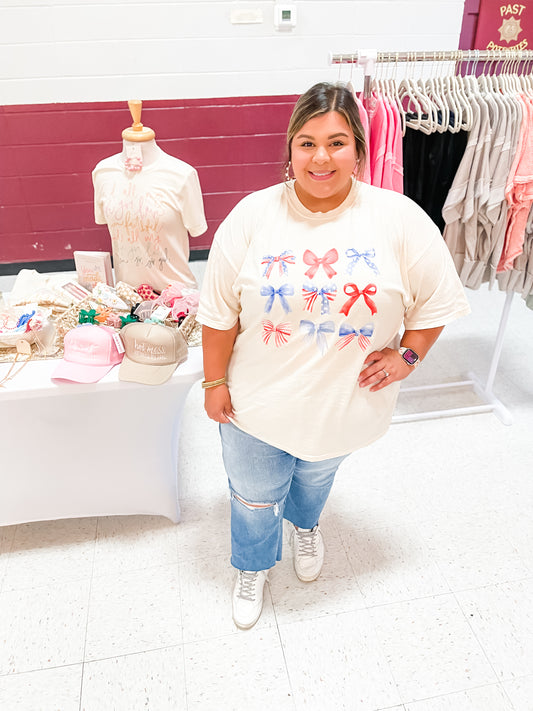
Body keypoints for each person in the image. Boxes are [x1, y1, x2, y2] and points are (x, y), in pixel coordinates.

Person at [196, 81, 470, 630]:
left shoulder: (399, 218)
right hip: (256, 404)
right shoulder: (253, 216)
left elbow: (438, 299)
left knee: (315, 481)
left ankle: (305, 527)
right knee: (253, 497)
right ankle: (252, 565)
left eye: (337, 142)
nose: (321, 157)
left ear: (360, 152)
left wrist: (408, 357)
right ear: (290, 149)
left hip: (345, 403)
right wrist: (212, 383)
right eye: (307, 142)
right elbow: (218, 310)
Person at [92, 100, 207, 292]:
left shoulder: (181, 175)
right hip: (127, 294)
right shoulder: (103, 172)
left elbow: (196, 228)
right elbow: (104, 220)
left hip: (176, 296)